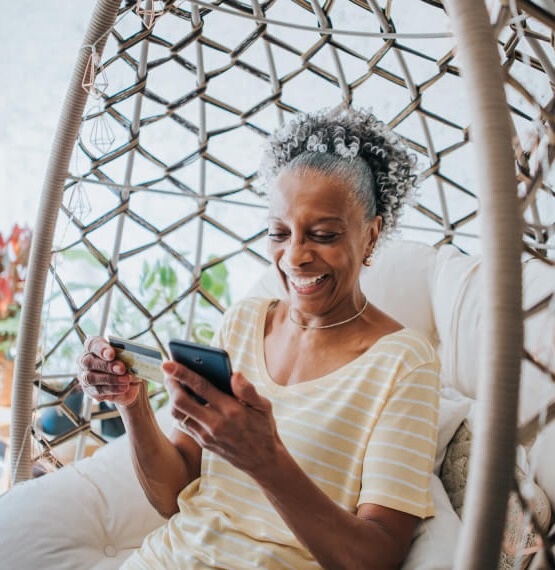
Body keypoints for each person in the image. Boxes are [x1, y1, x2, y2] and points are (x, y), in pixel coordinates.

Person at [78, 107, 440, 569]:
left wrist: (265, 460)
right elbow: (174, 496)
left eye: (324, 235)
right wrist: (133, 404)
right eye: (278, 233)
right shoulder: (245, 322)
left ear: (370, 237)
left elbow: (374, 558)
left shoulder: (405, 363)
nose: (295, 257)